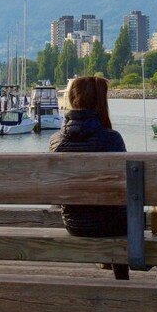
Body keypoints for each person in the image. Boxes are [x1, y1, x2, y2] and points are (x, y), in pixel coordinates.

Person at [48, 75, 129, 280]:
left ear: (72, 100)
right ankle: (122, 280)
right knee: (119, 214)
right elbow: (126, 186)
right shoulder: (112, 139)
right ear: (100, 101)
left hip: (74, 224)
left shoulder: (55, 141)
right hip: (110, 226)